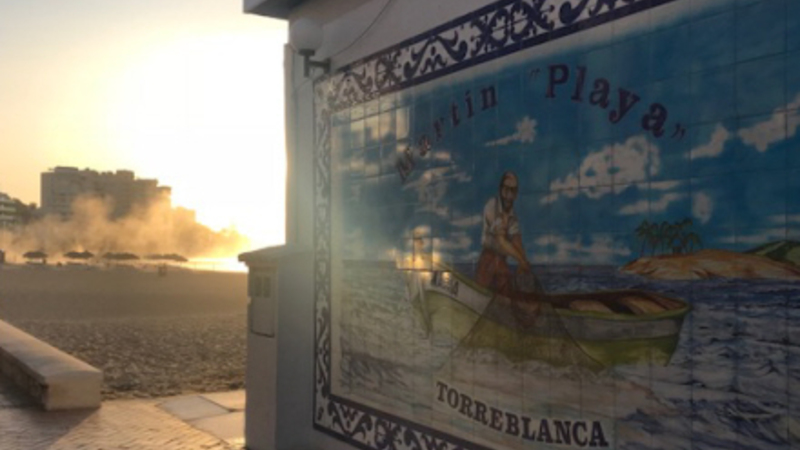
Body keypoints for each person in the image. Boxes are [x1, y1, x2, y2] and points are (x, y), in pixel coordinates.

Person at [476, 171, 533, 297]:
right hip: (488, 260)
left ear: (516, 193)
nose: (509, 194)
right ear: (501, 189)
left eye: (513, 190)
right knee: (480, 295)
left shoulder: (513, 217)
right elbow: (501, 241)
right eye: (506, 189)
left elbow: (516, 241)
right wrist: (521, 261)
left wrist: (524, 262)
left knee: (506, 295)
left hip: (501, 261)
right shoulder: (492, 205)